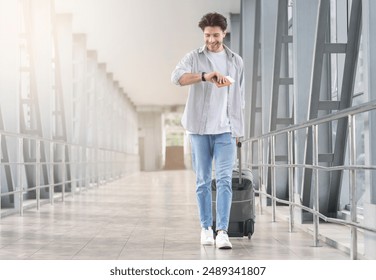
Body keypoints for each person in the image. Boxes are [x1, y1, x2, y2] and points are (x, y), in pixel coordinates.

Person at [171, 12, 244, 249]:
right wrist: (204, 76)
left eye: (215, 35)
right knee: (203, 181)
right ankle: (205, 228)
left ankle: (222, 230)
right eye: (206, 35)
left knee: (224, 180)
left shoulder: (236, 61)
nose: (211, 40)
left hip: (225, 130)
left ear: (224, 33)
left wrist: (238, 131)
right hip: (199, 131)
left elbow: (238, 98)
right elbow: (176, 77)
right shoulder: (194, 57)